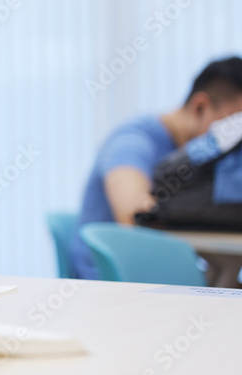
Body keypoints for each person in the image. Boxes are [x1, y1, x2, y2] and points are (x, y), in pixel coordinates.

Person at [70, 56, 242, 279]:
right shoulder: (132, 140)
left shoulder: (198, 165)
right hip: (108, 284)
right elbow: (134, 213)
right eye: (233, 125)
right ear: (200, 107)